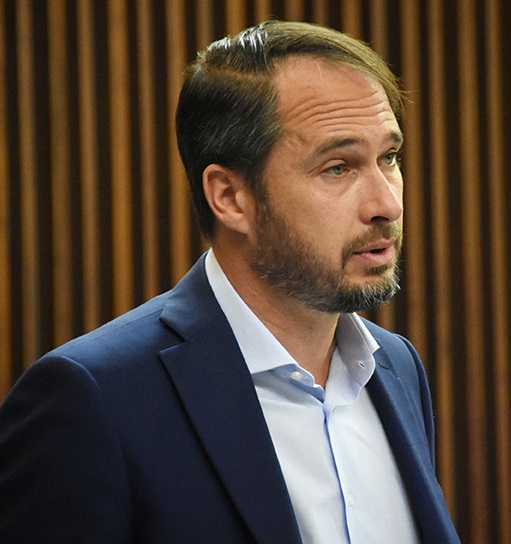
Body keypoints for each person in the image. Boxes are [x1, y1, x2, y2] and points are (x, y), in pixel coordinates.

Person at [0, 20, 459, 543]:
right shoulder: (95, 397)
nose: (388, 204)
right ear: (230, 197)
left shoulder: (396, 365)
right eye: (338, 167)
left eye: (389, 158)